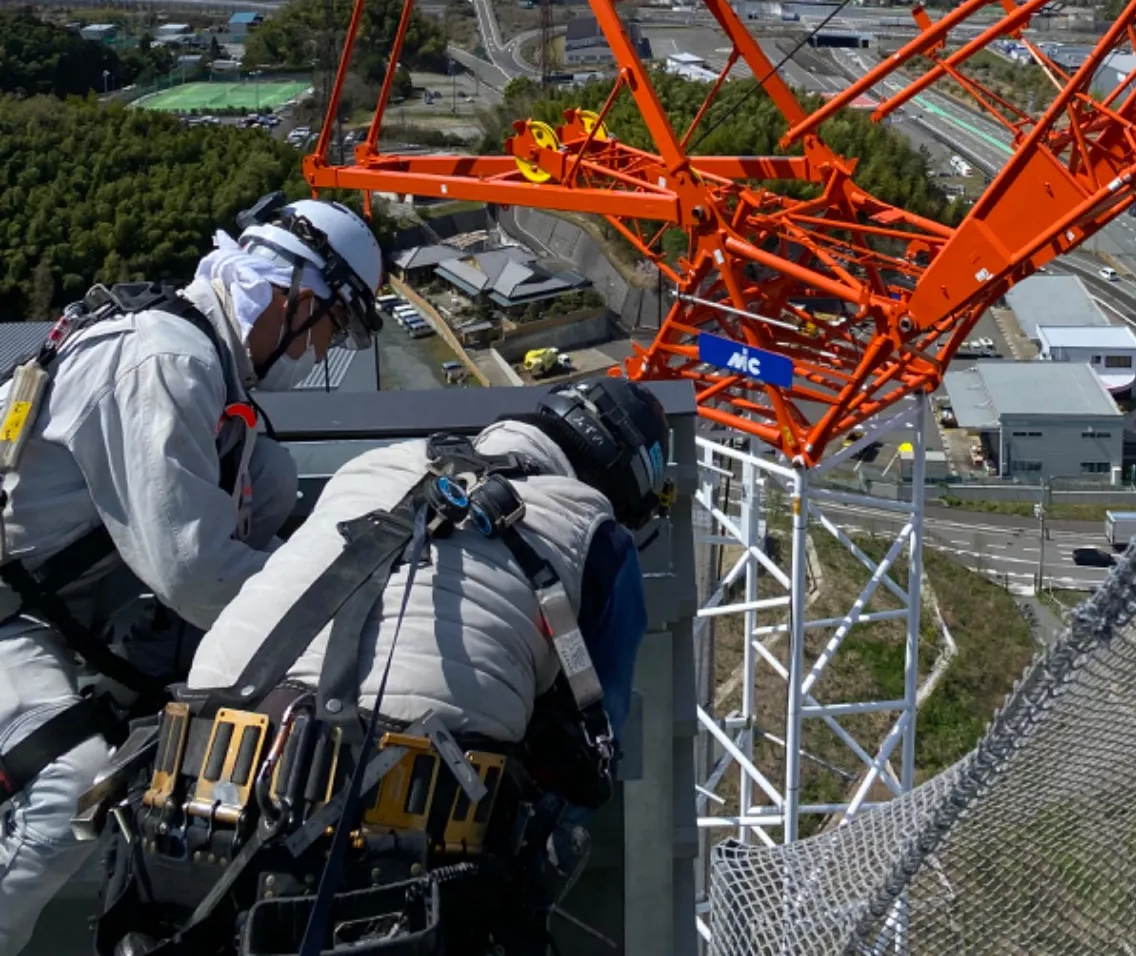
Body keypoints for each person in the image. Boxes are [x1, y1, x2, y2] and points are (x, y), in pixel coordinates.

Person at [96, 379, 668, 956]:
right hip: (383, 865)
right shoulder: (597, 533)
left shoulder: (377, 462)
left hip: (184, 805)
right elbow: (597, 740)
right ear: (623, 483)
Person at [0, 194, 383, 956]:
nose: (321, 350)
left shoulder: (201, 356)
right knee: (75, 779)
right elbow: (196, 574)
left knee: (267, 472)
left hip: (59, 601)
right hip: (16, 614)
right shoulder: (167, 361)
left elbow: (235, 519)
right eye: (333, 326)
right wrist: (346, 616)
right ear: (297, 295)